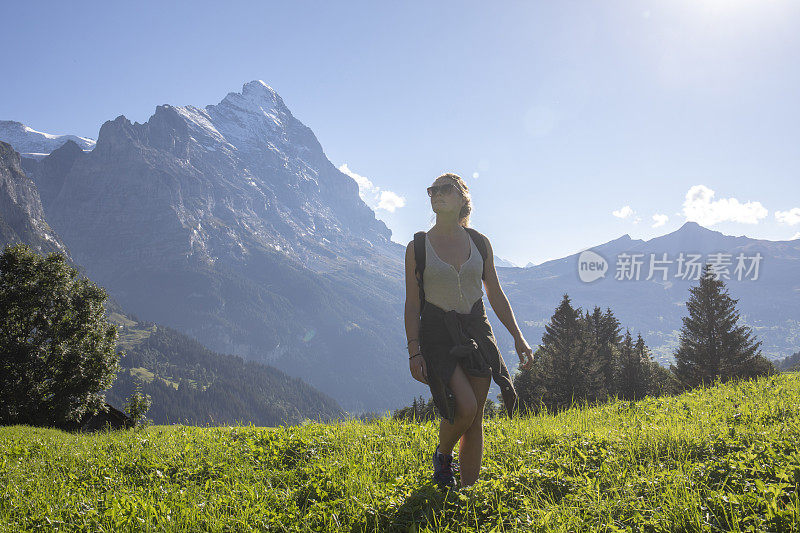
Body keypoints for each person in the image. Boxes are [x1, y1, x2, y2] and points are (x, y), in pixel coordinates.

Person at [404, 172, 535, 490]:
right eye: (432, 190)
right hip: (436, 332)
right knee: (466, 405)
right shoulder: (418, 247)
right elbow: (411, 303)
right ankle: (443, 455)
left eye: (445, 189)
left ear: (463, 197)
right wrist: (414, 350)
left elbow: (496, 294)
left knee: (474, 420)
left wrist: (518, 336)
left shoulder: (479, 242)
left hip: (478, 331)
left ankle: (467, 491)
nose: (436, 194)